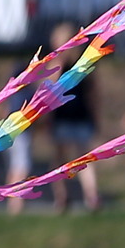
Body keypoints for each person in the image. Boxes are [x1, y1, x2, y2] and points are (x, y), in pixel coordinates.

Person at [48, 22, 100, 212]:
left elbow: (48, 92)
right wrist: (95, 115)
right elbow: (94, 93)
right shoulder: (84, 64)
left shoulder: (59, 65)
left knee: (61, 160)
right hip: (81, 115)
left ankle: (63, 198)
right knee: (83, 158)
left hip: (64, 117)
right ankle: (91, 196)